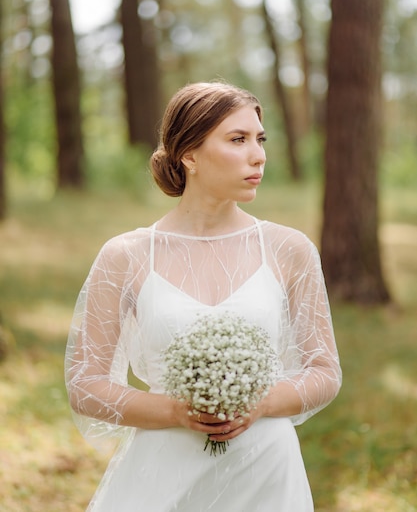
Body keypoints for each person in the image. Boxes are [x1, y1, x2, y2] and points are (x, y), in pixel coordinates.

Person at [65, 81, 342, 512]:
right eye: (238, 139)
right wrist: (176, 412)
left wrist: (261, 403)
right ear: (188, 154)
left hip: (265, 469)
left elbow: (324, 371)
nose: (259, 155)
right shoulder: (126, 255)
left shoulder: (290, 249)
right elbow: (86, 384)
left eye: (259, 139)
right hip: (163, 470)